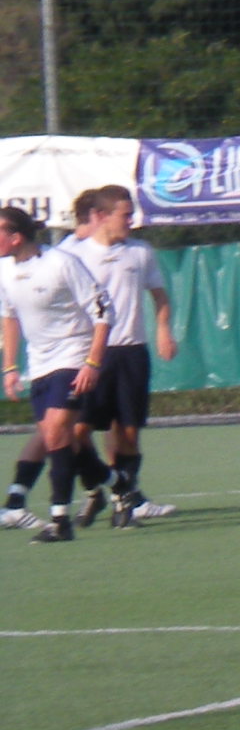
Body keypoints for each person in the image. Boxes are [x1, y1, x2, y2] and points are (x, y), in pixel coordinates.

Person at [63, 185, 178, 525]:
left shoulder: (140, 252)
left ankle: (124, 503)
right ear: (101, 216)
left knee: (127, 433)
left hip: (131, 354)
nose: (131, 220)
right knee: (78, 432)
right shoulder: (75, 256)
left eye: (132, 214)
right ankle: (96, 489)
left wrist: (163, 330)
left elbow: (160, 296)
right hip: (90, 356)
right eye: (125, 215)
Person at [0, 206, 110, 542]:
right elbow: (10, 319)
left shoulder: (61, 263)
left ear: (15, 237)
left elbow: (103, 311)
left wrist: (92, 362)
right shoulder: (4, 271)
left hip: (73, 357)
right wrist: (10, 366)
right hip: (41, 363)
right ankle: (101, 480)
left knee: (57, 432)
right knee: (56, 436)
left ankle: (60, 520)